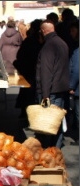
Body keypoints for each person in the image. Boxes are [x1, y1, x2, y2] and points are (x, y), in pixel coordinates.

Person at [35, 20, 69, 149]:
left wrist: (45, 94)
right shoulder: (62, 43)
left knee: (47, 123)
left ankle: (48, 150)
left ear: (43, 31)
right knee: (57, 122)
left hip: (51, 91)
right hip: (60, 89)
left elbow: (46, 72)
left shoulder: (49, 46)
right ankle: (56, 149)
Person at [13, 19, 44, 118]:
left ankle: (25, 113)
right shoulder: (41, 42)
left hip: (28, 71)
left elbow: (20, 56)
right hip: (36, 71)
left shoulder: (29, 41)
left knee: (27, 93)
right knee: (33, 94)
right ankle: (31, 115)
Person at [69, 20, 79, 145]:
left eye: (72, 30)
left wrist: (71, 85)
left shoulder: (77, 51)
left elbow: (76, 70)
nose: (71, 33)